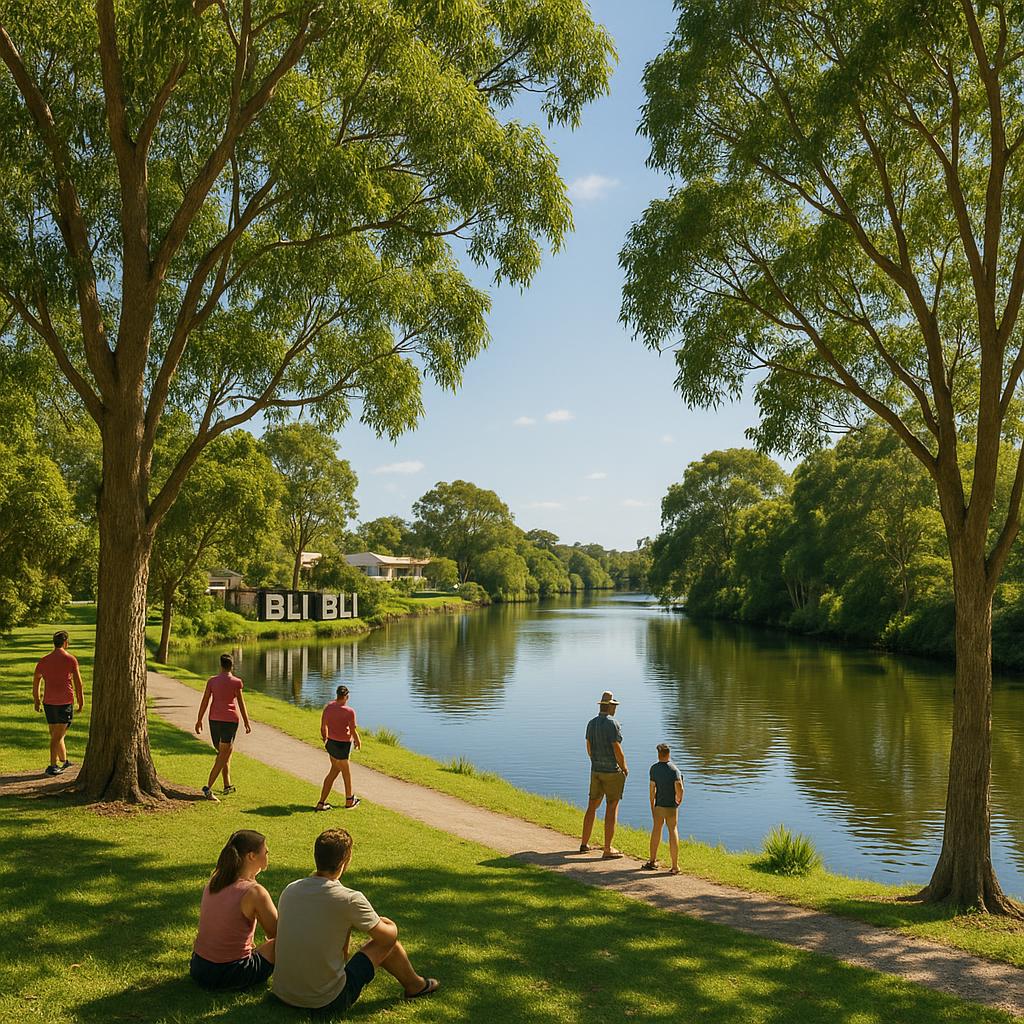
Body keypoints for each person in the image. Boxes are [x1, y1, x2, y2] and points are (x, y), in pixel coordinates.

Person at [272, 828, 439, 1014]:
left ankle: (416, 984)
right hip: (325, 1002)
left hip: (283, 993)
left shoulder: (290, 890)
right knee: (387, 944)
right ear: (345, 860)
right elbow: (387, 938)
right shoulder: (349, 899)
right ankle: (416, 985)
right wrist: (389, 924)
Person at [190, 829, 279, 991]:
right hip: (231, 973)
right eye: (265, 852)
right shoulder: (254, 892)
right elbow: (276, 933)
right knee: (281, 942)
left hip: (199, 967)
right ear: (251, 856)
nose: (268, 855)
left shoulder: (215, 881)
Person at [194, 653, 251, 800]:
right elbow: (241, 703)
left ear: (220, 665)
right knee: (223, 754)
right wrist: (246, 721)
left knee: (224, 752)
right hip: (230, 721)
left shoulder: (212, 681)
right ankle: (208, 788)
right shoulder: (236, 682)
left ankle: (227, 785)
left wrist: (199, 720)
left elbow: (205, 700)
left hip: (214, 720)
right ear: (232, 666)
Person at [579, 690, 629, 860]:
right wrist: (624, 767)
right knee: (612, 807)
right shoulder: (612, 724)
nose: (615, 708)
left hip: (596, 770)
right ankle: (607, 849)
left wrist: (594, 760)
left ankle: (584, 844)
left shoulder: (591, 723)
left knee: (592, 805)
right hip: (612, 772)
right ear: (609, 706)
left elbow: (588, 746)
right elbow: (617, 748)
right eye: (614, 705)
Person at [33, 630, 85, 776]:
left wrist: (36, 699)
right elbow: (78, 683)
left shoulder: (44, 660)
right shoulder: (70, 659)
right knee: (57, 735)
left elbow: (36, 680)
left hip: (48, 702)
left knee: (55, 733)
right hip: (64, 702)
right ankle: (52, 765)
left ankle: (64, 760)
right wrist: (81, 701)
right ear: (65, 643)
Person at [316, 684, 362, 811]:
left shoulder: (328, 708)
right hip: (343, 746)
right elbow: (352, 730)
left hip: (331, 743)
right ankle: (349, 801)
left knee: (334, 771)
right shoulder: (349, 711)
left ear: (337, 695)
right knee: (346, 774)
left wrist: (325, 740)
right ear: (346, 697)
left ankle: (321, 803)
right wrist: (358, 741)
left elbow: (323, 727)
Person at [642, 743, 684, 874]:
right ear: (669, 754)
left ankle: (652, 860)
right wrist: (679, 799)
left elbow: (652, 789)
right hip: (671, 806)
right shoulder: (674, 770)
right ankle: (675, 866)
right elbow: (679, 787)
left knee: (656, 829)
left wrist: (652, 804)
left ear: (658, 754)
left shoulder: (654, 769)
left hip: (659, 805)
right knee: (673, 830)